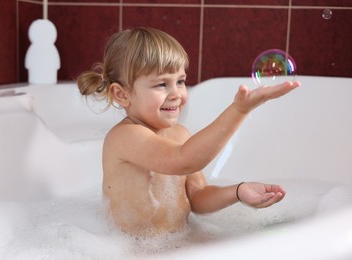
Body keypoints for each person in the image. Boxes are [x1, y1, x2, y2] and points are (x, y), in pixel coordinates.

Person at [77, 27, 300, 237]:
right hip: (134, 251)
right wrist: (239, 110)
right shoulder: (125, 137)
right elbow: (184, 160)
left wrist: (238, 192)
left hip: (177, 241)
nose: (176, 93)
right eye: (161, 84)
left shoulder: (180, 135)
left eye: (180, 81)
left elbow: (197, 197)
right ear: (122, 94)